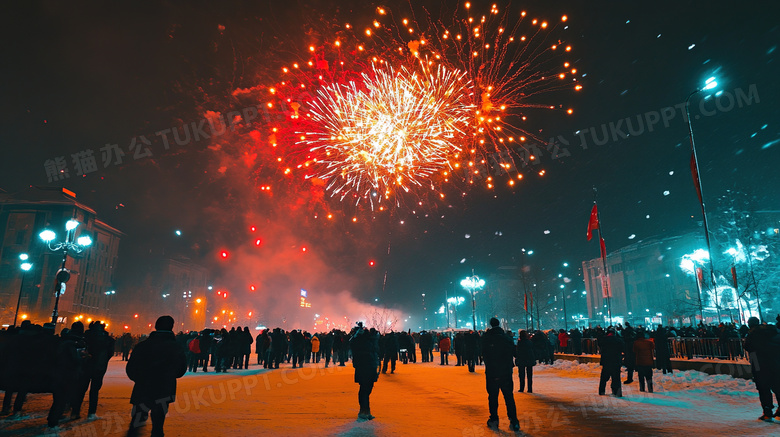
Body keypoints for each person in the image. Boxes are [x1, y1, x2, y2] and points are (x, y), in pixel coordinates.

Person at [126, 315, 187, 437]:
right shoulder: (176, 347)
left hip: (143, 387)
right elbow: (181, 370)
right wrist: (169, 376)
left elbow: (131, 368)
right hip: (164, 388)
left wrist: (140, 379)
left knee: (137, 420)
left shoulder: (143, 345)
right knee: (158, 424)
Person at [482, 318, 520, 432]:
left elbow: (483, 353)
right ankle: (514, 421)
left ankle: (494, 419)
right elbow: (515, 353)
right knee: (509, 397)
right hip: (506, 371)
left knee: (493, 397)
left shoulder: (487, 338)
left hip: (492, 372)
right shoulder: (507, 338)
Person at [73, 321, 115, 420]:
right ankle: (91, 413)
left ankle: (75, 412)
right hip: (99, 367)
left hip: (85, 365)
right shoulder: (108, 340)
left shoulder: (85, 337)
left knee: (81, 389)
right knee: (94, 391)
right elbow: (110, 353)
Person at [744, 317, 780, 421]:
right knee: (778, 387)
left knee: (764, 389)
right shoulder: (774, 332)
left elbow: (747, 347)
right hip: (776, 363)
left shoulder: (752, 334)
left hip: (760, 365)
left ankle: (767, 412)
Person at [349, 323, 379, 421]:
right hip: (367, 367)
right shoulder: (364, 343)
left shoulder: (365, 342)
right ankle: (364, 411)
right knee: (365, 390)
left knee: (366, 390)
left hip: (367, 367)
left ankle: (366, 411)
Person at [598, 326, 624, 397]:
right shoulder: (618, 340)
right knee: (616, 378)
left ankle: (602, 391)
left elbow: (599, 344)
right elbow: (623, 348)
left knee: (604, 378)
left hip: (606, 361)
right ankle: (617, 392)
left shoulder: (604, 340)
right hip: (615, 361)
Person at [633, 328, 655, 393]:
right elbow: (653, 347)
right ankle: (650, 388)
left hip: (640, 362)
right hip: (648, 362)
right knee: (649, 377)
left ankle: (642, 388)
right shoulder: (649, 342)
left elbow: (634, 351)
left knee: (641, 376)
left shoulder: (636, 343)